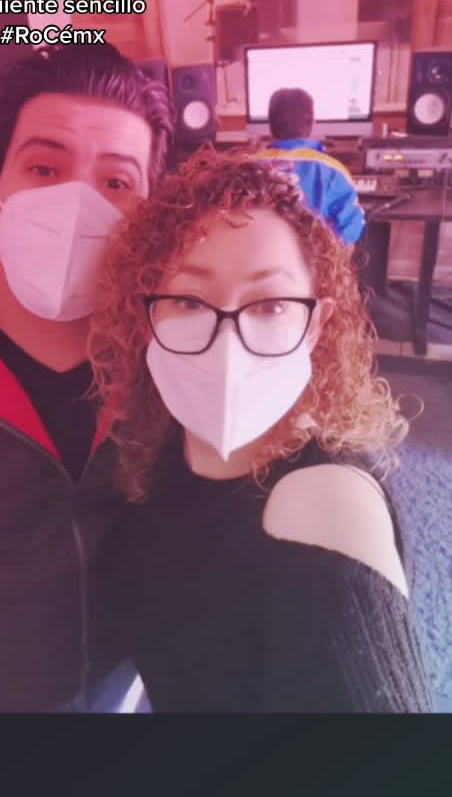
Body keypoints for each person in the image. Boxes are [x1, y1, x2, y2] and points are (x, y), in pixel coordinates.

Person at [88, 146, 433, 713]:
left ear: (315, 325)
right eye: (189, 300)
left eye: (270, 304)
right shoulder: (159, 451)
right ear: (147, 318)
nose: (229, 341)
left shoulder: (324, 508)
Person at [0, 42, 174, 711]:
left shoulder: (176, 342)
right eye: (44, 168)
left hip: (119, 686)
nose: (76, 203)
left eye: (116, 184)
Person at [258, 87, 365, 245]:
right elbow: (350, 227)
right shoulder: (334, 171)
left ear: (270, 127)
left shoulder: (246, 167)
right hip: (314, 258)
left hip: (260, 257)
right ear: (312, 124)